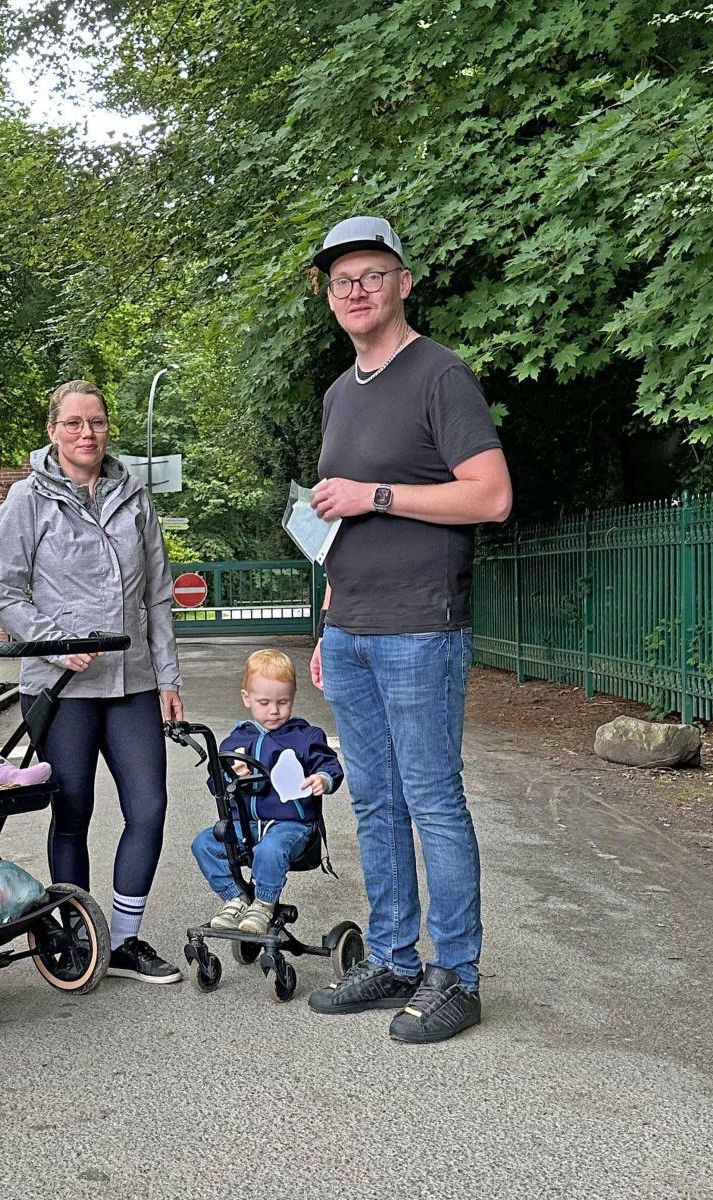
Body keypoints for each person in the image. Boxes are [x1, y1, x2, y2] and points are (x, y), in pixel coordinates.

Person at [304, 217, 513, 1043]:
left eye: (370, 275)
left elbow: (490, 496)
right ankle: (392, 955)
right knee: (379, 801)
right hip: (352, 628)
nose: (355, 291)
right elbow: (334, 520)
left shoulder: (440, 376)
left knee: (431, 799)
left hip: (422, 629)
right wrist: (328, 617)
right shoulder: (337, 392)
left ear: (403, 282)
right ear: (330, 297)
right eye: (341, 281)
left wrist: (377, 493)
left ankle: (455, 974)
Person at [0, 379, 185, 984]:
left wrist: (169, 678)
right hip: (61, 688)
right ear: (52, 431)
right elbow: (5, 593)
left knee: (148, 809)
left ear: (107, 428)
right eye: (72, 423)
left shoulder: (136, 498)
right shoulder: (27, 499)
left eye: (95, 422)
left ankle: (123, 941)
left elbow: (157, 596)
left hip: (133, 684)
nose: (86, 433)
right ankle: (75, 935)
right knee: (72, 813)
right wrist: (55, 641)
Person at [191, 649, 343, 933]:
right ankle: (236, 898)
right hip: (245, 825)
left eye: (282, 702)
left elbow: (329, 764)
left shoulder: (305, 736)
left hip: (291, 825)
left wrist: (322, 778)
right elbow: (216, 785)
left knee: (271, 848)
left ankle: (263, 904)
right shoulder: (235, 740)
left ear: (293, 698)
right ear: (246, 698)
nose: (274, 711)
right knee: (204, 844)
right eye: (264, 703)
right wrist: (228, 774)